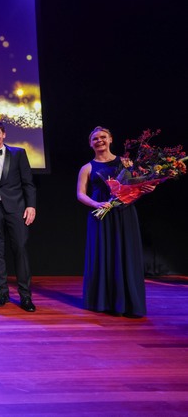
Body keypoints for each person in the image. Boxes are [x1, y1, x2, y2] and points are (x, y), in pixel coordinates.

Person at [76, 126, 153, 317]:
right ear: (90, 143)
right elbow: (80, 194)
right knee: (102, 255)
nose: (99, 141)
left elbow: (137, 186)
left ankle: (127, 303)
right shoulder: (87, 167)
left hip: (124, 213)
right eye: (95, 139)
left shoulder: (126, 162)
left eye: (103, 137)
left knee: (125, 254)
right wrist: (96, 204)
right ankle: (103, 302)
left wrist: (147, 188)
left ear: (110, 139)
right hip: (100, 215)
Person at [0, 121, 37, 312]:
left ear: (4, 134)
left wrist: (31, 205)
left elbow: (28, 182)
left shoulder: (18, 153)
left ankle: (25, 296)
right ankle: (2, 293)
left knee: (20, 249)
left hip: (16, 208)